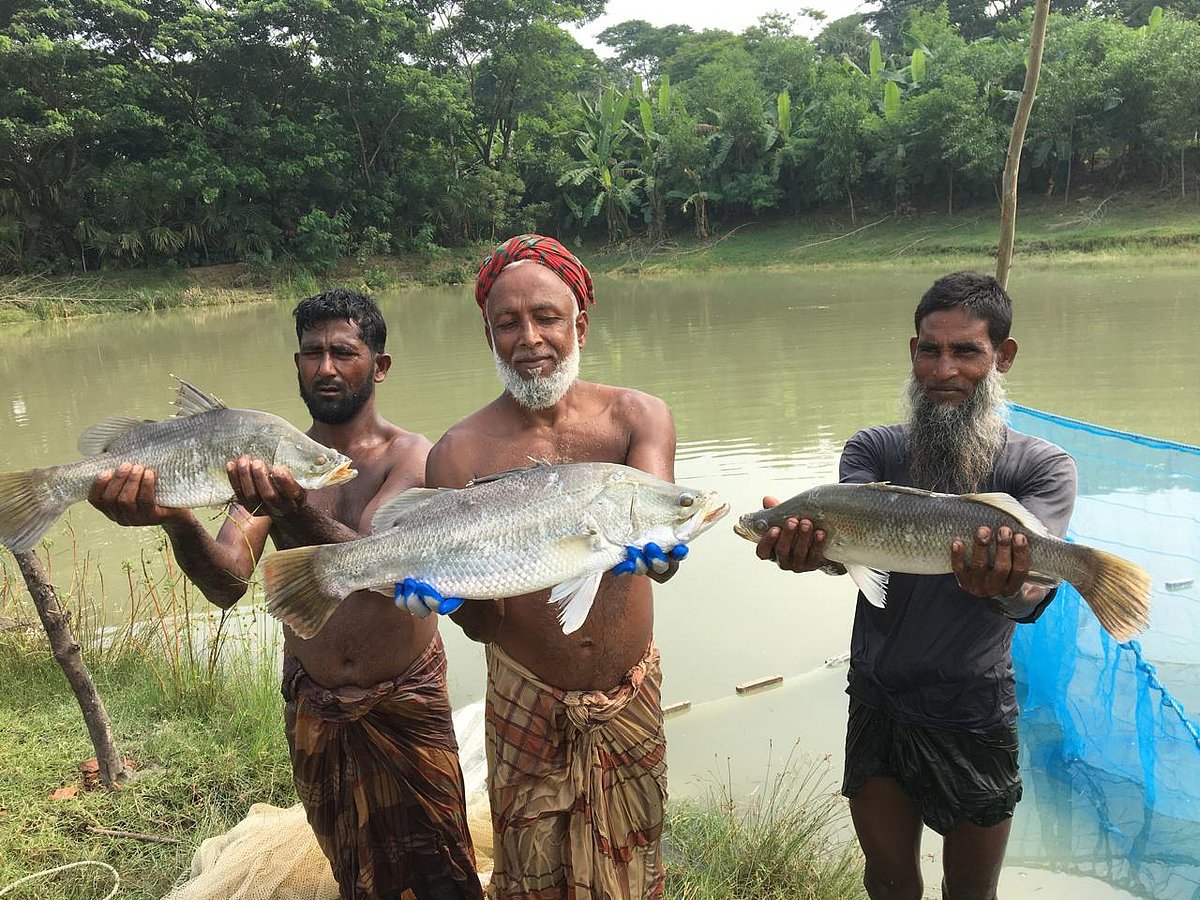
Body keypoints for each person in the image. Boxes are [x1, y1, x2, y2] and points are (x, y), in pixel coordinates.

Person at [88, 289, 484, 900]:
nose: (326, 367)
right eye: (312, 353)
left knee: (444, 869)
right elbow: (227, 579)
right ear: (296, 364)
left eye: (343, 352)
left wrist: (292, 508)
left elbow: (379, 568)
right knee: (353, 869)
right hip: (315, 702)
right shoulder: (266, 460)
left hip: (405, 696)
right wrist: (176, 517)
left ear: (379, 365)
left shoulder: (412, 455)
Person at [753, 271, 1077, 900]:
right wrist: (808, 553)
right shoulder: (871, 451)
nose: (944, 370)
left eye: (967, 352)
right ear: (912, 353)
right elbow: (847, 552)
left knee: (971, 893)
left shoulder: (1041, 467)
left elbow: (1030, 593)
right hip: (878, 694)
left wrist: (1007, 588)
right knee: (891, 880)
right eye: (930, 349)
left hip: (973, 703)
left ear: (1003, 357)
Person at [410, 234, 679, 900]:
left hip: (627, 694)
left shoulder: (637, 416)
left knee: (633, 869)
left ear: (579, 324)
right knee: (531, 875)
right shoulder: (458, 452)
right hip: (524, 695)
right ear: (489, 336)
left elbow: (657, 529)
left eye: (546, 318)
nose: (529, 337)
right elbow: (482, 623)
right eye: (508, 323)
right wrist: (447, 596)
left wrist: (664, 552)